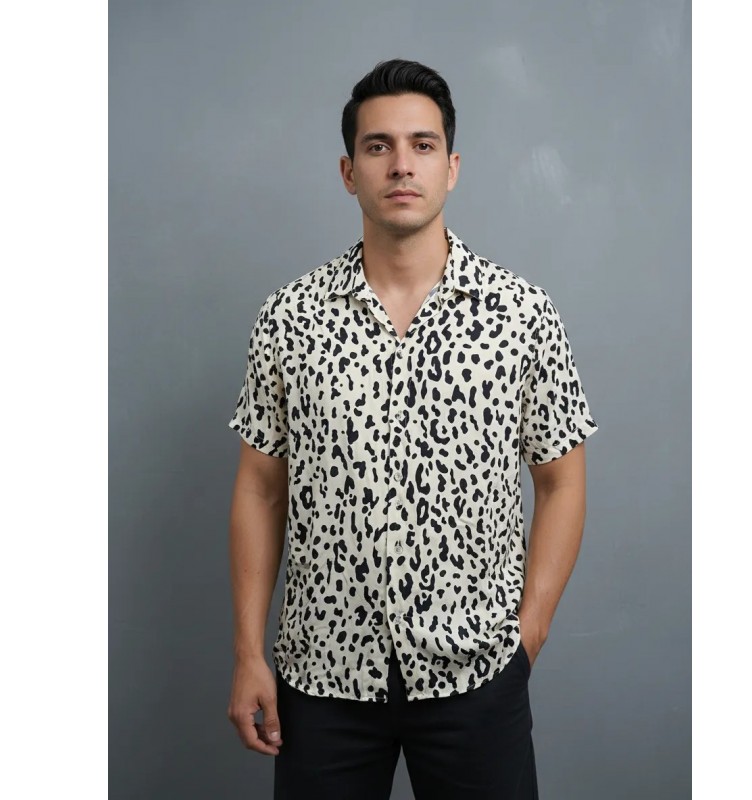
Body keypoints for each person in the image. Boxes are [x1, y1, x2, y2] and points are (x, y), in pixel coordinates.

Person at [225, 58, 599, 799]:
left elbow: (562, 481)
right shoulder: (289, 318)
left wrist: (528, 635)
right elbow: (260, 489)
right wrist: (247, 652)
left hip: (476, 674)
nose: (402, 165)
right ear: (348, 172)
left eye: (423, 145)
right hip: (323, 677)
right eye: (379, 146)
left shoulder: (521, 315)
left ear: (451, 167)